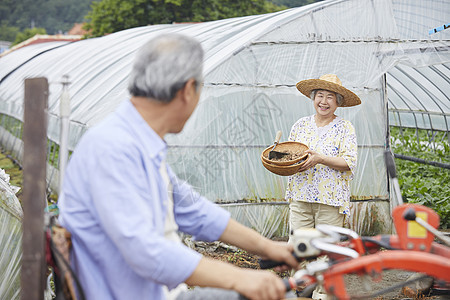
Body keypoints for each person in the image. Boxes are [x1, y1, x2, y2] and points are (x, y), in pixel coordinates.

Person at [58, 33, 299, 300]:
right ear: (187, 90)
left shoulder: (140, 141)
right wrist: (240, 278)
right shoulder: (112, 148)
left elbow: (191, 209)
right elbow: (145, 252)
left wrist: (268, 247)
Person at [285, 74, 361, 299]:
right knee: (298, 245)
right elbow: (291, 154)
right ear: (313, 98)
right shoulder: (300, 125)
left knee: (326, 250)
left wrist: (320, 158)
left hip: (330, 199)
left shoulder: (345, 128)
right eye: (320, 95)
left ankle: (322, 294)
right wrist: (290, 163)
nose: (324, 101)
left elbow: (348, 162)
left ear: (338, 101)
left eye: (330, 97)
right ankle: (299, 290)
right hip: (300, 196)